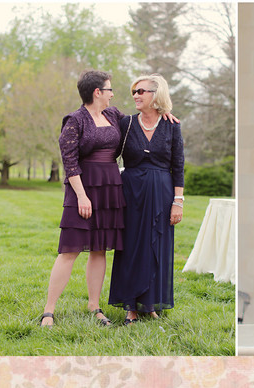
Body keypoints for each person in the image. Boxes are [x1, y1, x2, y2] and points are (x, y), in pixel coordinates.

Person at [40, 70, 125, 327]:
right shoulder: (75, 121)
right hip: (82, 188)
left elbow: (138, 123)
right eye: (109, 89)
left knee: (99, 249)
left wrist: (163, 114)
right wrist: (82, 196)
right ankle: (48, 310)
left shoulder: (113, 115)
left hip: (110, 187)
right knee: (70, 249)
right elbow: (70, 162)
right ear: (97, 92)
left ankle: (94, 305)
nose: (112, 94)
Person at [108, 74, 184, 326]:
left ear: (156, 94)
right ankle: (131, 307)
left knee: (157, 249)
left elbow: (178, 166)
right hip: (131, 193)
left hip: (162, 194)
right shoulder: (126, 123)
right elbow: (110, 153)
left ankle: (150, 304)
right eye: (134, 92)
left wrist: (178, 201)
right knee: (130, 247)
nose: (136, 95)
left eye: (142, 91)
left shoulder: (172, 126)